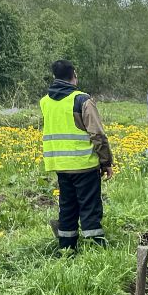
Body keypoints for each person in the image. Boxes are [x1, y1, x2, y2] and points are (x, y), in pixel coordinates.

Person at [40, 60, 113, 252]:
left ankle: (67, 248)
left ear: (54, 76)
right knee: (89, 208)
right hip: (84, 165)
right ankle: (95, 248)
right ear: (74, 74)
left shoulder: (45, 101)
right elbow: (97, 134)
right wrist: (106, 162)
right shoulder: (82, 100)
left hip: (60, 165)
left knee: (67, 208)